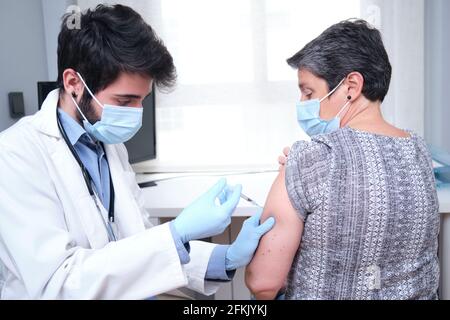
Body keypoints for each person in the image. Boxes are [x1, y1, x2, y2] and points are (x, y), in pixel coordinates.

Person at [0, 4, 274, 299]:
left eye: (142, 99)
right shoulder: (15, 154)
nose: (137, 113)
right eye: (125, 100)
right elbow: (60, 283)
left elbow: (140, 242)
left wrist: (226, 257)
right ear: (73, 83)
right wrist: (177, 232)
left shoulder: (109, 144)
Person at [245, 19, 440, 300]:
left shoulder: (310, 158)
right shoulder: (419, 151)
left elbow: (264, 282)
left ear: (351, 86)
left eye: (308, 92)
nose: (302, 104)